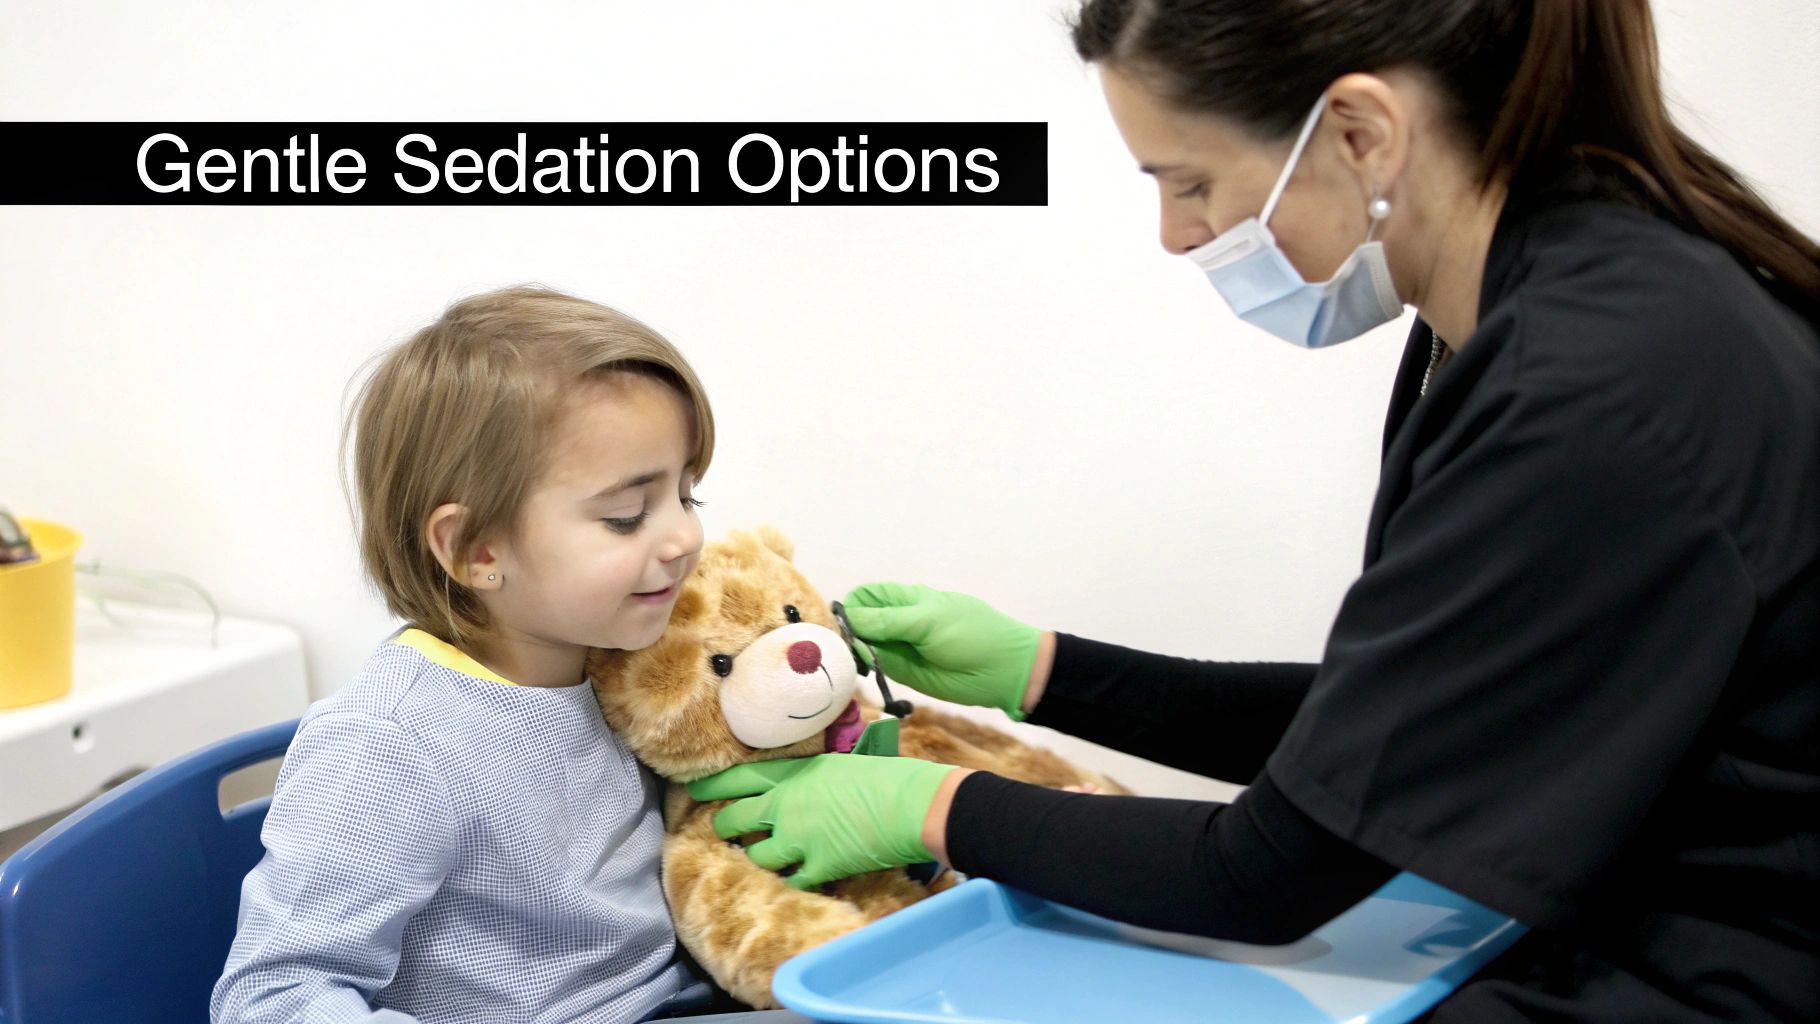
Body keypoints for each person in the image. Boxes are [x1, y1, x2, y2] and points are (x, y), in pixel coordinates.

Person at [685, 2, 1820, 1020]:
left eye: (1189, 183)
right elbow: (1397, 734)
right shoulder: (1553, 292)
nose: (1177, 236)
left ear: (1359, 134)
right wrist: (1045, 670)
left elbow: (1269, 870)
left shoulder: (1585, 389)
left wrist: (933, 804)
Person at [211, 286, 736, 1023]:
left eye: (688, 496)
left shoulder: (620, 656)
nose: (683, 538)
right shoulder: (392, 745)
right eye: (627, 516)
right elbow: (270, 999)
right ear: (475, 549)